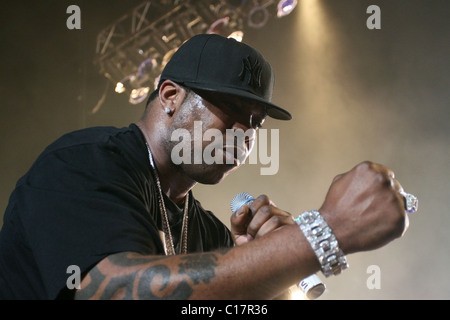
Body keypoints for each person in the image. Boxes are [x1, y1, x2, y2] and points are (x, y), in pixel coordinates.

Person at [0, 34, 413, 300]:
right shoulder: (84, 163)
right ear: (170, 96)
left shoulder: (212, 232)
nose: (244, 132)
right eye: (231, 109)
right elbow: (115, 291)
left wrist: (265, 272)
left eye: (255, 122)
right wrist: (321, 234)